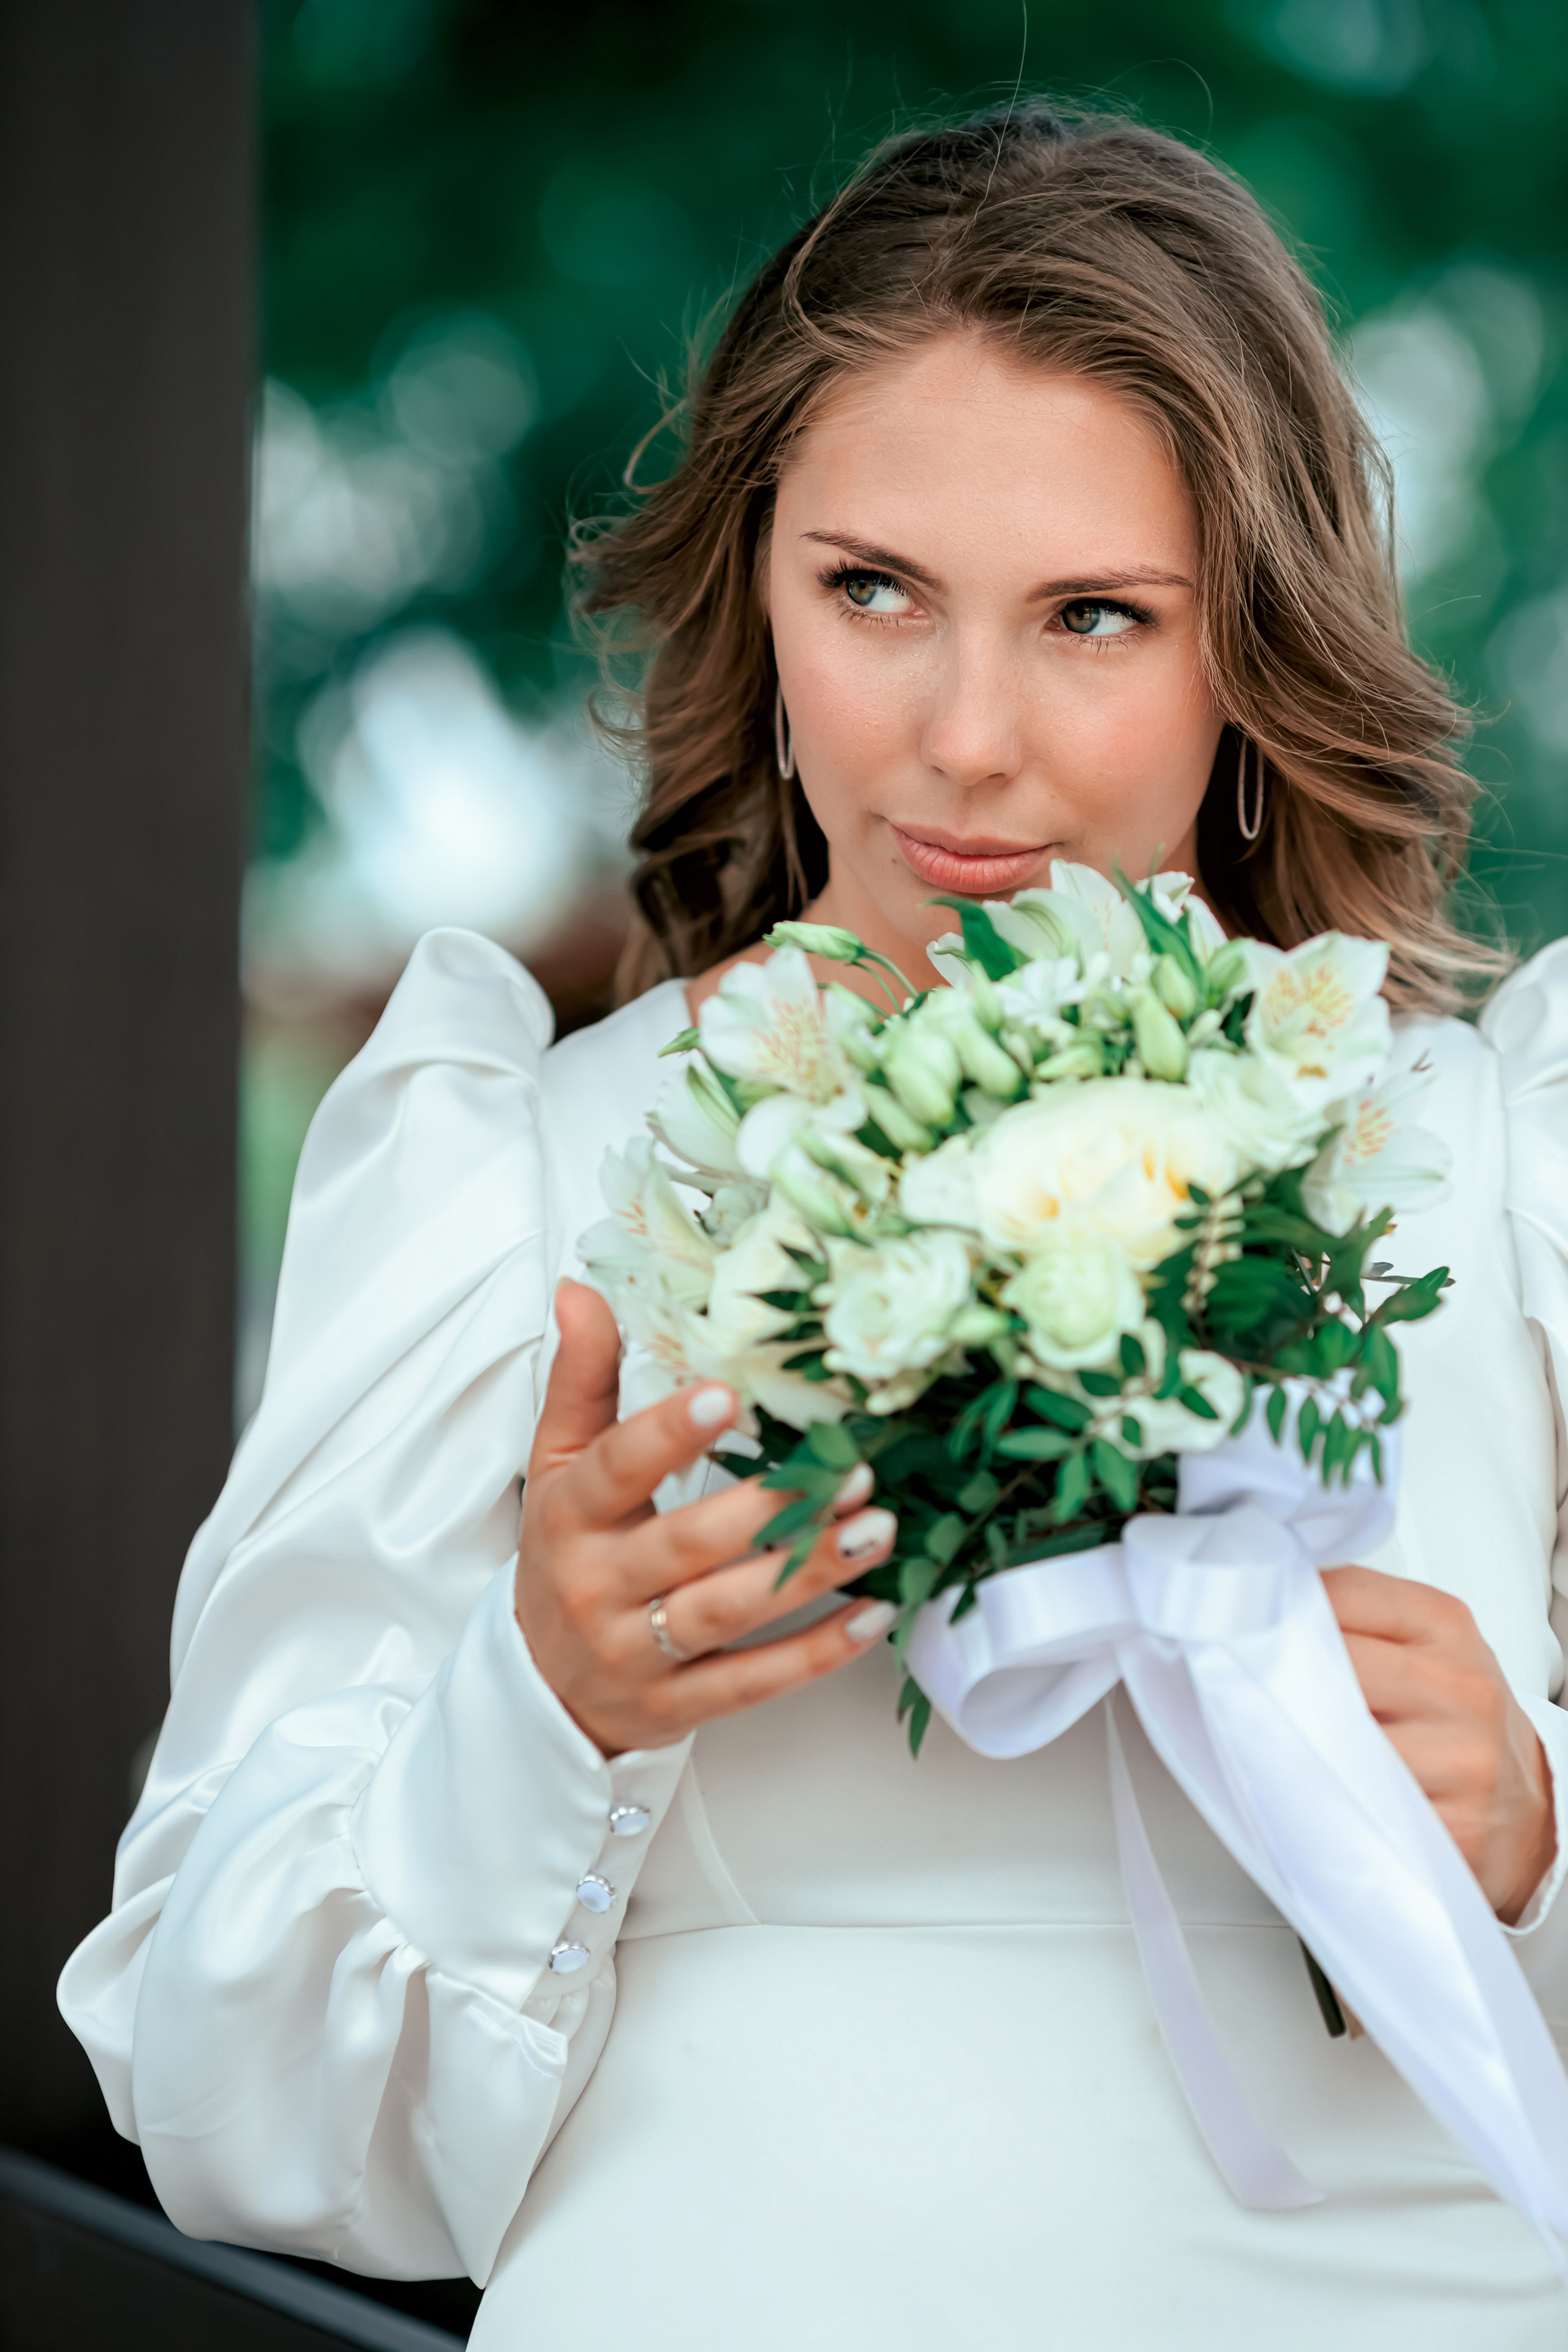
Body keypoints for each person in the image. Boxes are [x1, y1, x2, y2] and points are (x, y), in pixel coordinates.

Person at [60, 104, 1568, 2348]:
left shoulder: (1501, 1161)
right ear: (756, 586)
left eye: (1092, 617)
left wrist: (1539, 1847)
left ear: (1249, 648)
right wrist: (540, 1706)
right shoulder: (524, 1180)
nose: (965, 739)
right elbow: (232, 2103)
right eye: (873, 591)